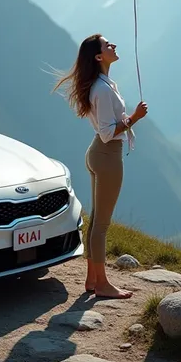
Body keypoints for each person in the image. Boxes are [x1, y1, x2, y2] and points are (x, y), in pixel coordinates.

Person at [54, 34, 148, 299]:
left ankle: (92, 280)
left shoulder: (102, 84)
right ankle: (104, 284)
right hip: (107, 155)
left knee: (97, 220)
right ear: (98, 57)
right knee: (102, 224)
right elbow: (108, 132)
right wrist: (135, 118)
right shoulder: (104, 89)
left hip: (98, 153)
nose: (113, 45)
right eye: (108, 45)